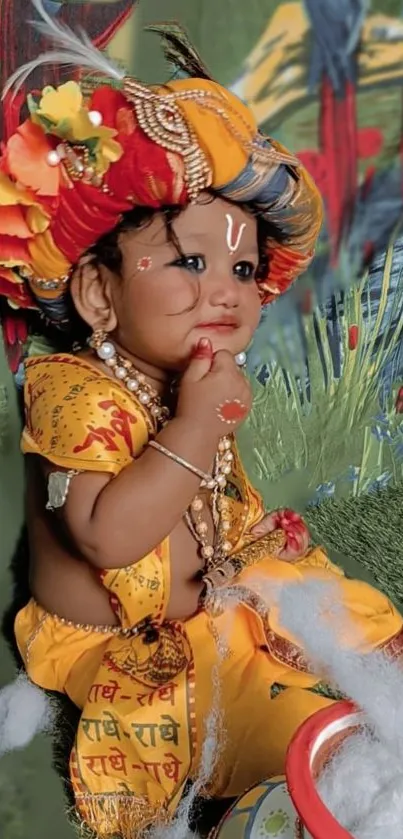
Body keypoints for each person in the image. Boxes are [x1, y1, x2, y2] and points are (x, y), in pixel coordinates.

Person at [1, 11, 402, 838]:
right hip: (133, 641)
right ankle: (306, 780)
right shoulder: (74, 394)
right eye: (189, 260)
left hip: (217, 595)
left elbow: (210, 503)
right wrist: (192, 428)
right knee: (275, 716)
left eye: (243, 267)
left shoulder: (188, 377)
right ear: (98, 295)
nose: (226, 289)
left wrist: (255, 535)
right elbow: (108, 537)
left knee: (341, 620)